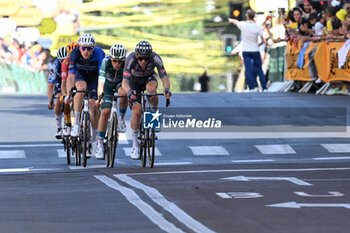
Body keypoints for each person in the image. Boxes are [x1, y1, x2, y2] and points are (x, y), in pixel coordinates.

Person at [122, 41, 171, 159]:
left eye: (146, 58)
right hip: (134, 82)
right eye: (140, 58)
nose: (143, 61)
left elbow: (164, 76)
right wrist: (129, 91)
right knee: (137, 112)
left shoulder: (155, 58)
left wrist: (166, 89)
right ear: (136, 56)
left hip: (149, 78)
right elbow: (124, 81)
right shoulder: (130, 59)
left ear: (150, 56)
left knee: (152, 90)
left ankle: (154, 113)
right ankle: (135, 146)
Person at [68, 33, 105, 156]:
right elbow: (71, 75)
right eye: (83, 48)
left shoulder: (99, 54)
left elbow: (102, 76)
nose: (86, 51)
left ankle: (95, 139)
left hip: (94, 78)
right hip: (81, 76)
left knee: (94, 106)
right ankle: (77, 124)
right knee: (81, 88)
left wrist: (101, 95)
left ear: (93, 48)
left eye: (89, 48)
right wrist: (69, 93)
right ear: (79, 48)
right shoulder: (74, 53)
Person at [95, 44, 128, 159]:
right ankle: (100, 143)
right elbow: (101, 83)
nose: (117, 64)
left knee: (124, 93)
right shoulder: (106, 62)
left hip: (120, 84)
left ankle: (122, 118)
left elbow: (128, 83)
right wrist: (100, 97)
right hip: (107, 86)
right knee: (105, 112)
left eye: (120, 61)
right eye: (115, 61)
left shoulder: (127, 63)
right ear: (111, 58)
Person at [228, 9, 267, 92]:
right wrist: (257, 45)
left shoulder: (243, 25)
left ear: (247, 16)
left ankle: (253, 87)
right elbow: (263, 41)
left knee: (248, 70)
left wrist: (231, 20)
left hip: (246, 50)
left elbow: (236, 22)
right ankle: (264, 87)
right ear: (254, 17)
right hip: (255, 50)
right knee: (259, 69)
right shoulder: (257, 27)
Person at [47, 46, 69, 139]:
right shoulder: (55, 65)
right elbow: (50, 85)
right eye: (61, 61)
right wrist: (50, 101)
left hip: (72, 79)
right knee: (59, 100)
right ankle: (59, 127)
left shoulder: (75, 62)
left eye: (66, 60)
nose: (64, 63)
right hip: (60, 81)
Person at [61, 42, 79, 136]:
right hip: (70, 82)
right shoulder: (65, 62)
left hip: (80, 81)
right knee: (66, 101)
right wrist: (65, 94)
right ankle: (68, 123)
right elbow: (64, 81)